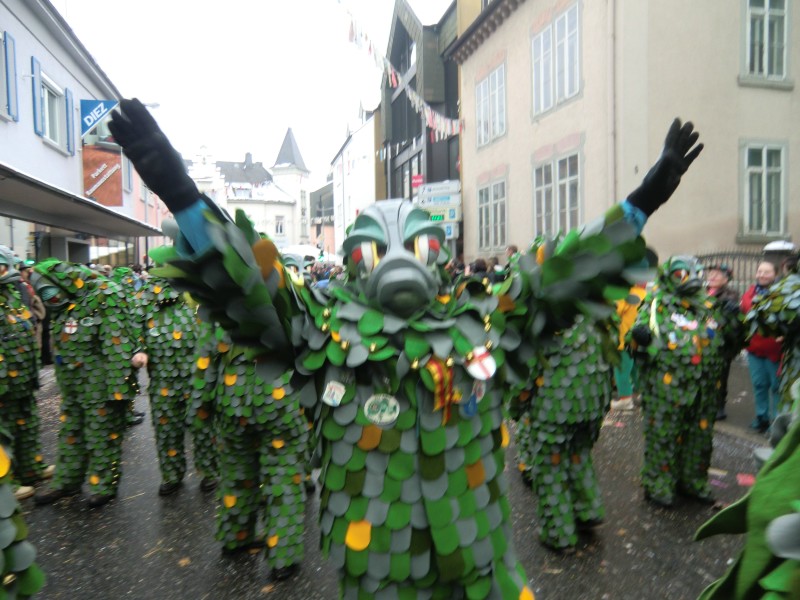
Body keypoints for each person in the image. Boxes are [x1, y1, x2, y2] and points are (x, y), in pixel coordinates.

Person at [109, 98, 702, 597]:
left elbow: (567, 274)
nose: (397, 261)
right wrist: (180, 192)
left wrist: (640, 203)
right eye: (375, 250)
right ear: (353, 261)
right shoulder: (319, 326)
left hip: (480, 559)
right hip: (377, 565)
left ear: (438, 254)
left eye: (415, 247)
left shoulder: (487, 319)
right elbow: (246, 285)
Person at [630, 256, 735, 507]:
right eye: (681, 273)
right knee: (664, 436)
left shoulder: (709, 306)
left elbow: (730, 343)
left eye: (694, 272)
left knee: (699, 438)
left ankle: (693, 482)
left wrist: (733, 322)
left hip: (704, 388)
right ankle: (659, 485)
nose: (689, 277)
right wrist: (639, 338)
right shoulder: (656, 304)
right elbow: (634, 340)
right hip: (667, 389)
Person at [31, 259, 137, 508]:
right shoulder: (62, 305)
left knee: (101, 435)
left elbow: (117, 344)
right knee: (71, 432)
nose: (51, 300)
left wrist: (119, 390)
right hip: (72, 384)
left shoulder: (104, 294)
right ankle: (66, 482)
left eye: (50, 292)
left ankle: (103, 485)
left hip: (101, 384)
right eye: (44, 295)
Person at [512, 314, 615, 552]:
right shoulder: (597, 316)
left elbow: (528, 372)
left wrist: (516, 407)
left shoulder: (546, 319)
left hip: (554, 408)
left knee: (551, 468)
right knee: (579, 456)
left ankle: (559, 534)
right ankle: (588, 510)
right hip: (591, 405)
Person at [129, 273, 217, 496]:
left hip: (198, 372)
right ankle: (171, 475)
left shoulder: (199, 289)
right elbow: (135, 326)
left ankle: (209, 472)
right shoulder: (146, 295)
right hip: (162, 376)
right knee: (166, 427)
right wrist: (138, 350)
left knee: (203, 424)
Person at [0, 247, 52, 499]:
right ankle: (7, 484)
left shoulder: (10, 294)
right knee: (4, 432)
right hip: (3, 384)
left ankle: (31, 468)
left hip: (21, 377)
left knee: (27, 426)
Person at [741, 261, 782, 432]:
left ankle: (777, 424)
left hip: (776, 351)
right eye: (760, 271)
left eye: (767, 272)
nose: (762, 275)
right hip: (755, 349)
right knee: (759, 384)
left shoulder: (780, 292)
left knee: (776, 387)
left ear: (775, 274)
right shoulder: (751, 291)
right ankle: (761, 417)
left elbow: (755, 309)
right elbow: (746, 306)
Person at [704, 263, 741, 420]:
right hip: (703, 341)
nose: (712, 276)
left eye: (717, 274)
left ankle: (719, 406)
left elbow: (730, 322)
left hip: (721, 343)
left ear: (726, 279)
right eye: (711, 273)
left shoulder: (729, 296)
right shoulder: (702, 293)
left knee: (720, 375)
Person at [611, 283, 648, 411]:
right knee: (634, 369)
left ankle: (625, 399)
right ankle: (641, 393)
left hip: (624, 339)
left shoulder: (627, 294)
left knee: (621, 369)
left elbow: (615, 310)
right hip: (637, 339)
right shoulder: (644, 294)